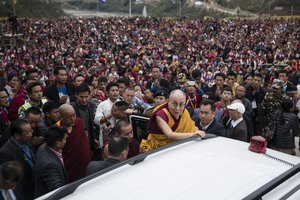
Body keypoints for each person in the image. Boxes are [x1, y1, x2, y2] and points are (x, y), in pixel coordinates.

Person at [140, 89, 205, 152]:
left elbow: (190, 127)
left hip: (179, 147)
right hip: (159, 150)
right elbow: (170, 134)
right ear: (168, 101)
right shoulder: (161, 114)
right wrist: (193, 134)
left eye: (181, 104)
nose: (177, 108)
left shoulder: (184, 111)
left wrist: (197, 131)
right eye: (174, 103)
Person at [0, 119, 34, 200]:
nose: (31, 134)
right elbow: (10, 178)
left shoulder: (27, 142)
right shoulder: (5, 152)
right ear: (17, 136)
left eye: (31, 131)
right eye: (27, 132)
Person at [56, 104, 91, 182]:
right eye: (69, 117)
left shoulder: (79, 122)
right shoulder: (57, 130)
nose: (73, 119)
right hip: (70, 166)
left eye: (74, 115)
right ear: (61, 117)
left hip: (85, 163)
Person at [34, 126, 68, 198]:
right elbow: (57, 190)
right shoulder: (50, 165)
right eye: (65, 139)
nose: (66, 141)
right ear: (58, 143)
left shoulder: (44, 146)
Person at [72, 83, 99, 160]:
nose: (84, 100)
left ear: (90, 94)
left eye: (86, 97)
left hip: (91, 142)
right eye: (81, 97)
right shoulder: (72, 109)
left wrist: (94, 138)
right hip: (78, 143)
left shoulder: (92, 106)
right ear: (76, 95)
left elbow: (94, 124)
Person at [94, 82, 120, 148]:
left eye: (117, 90)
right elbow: (97, 120)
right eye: (113, 90)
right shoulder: (102, 104)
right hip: (106, 133)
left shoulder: (121, 103)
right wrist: (111, 114)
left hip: (119, 133)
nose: (115, 92)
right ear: (107, 93)